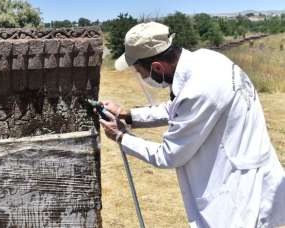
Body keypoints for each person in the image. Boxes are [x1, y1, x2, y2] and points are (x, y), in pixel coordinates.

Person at [99, 21, 285, 227]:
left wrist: (121, 137)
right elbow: (176, 108)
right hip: (249, 171)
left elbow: (169, 155)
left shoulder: (200, 89)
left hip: (238, 195)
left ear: (157, 67)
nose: (142, 77)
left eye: (140, 71)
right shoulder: (206, 60)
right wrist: (127, 115)